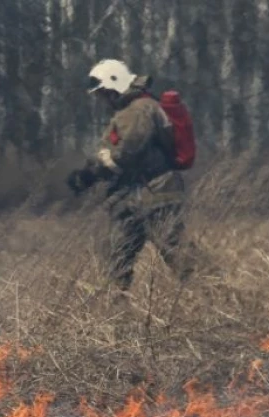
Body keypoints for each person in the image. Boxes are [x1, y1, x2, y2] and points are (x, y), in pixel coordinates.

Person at [67, 59, 196, 296]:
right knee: (116, 258)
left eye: (103, 93)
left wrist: (90, 173)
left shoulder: (139, 109)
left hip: (154, 194)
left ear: (114, 85)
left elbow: (128, 152)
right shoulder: (132, 110)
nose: (102, 100)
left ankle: (217, 295)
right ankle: (115, 315)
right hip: (133, 198)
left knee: (178, 254)